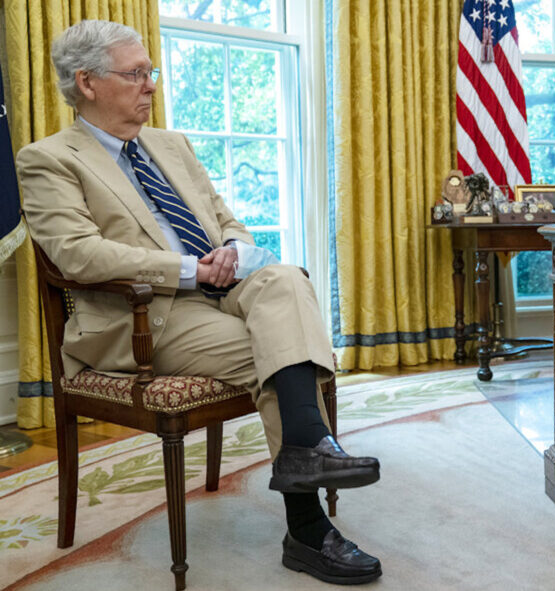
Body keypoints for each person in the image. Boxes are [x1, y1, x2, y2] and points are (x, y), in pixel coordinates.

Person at [16, 20, 381, 585]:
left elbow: (224, 218)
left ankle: (306, 452)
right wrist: (191, 269)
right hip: (144, 317)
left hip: (224, 291)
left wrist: (234, 248)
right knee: (287, 356)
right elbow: (79, 257)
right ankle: (308, 527)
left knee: (284, 278)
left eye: (150, 72)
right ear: (87, 83)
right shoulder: (48, 159)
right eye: (136, 73)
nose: (151, 85)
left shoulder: (170, 144)